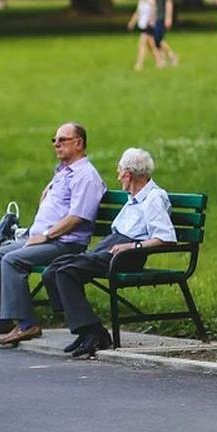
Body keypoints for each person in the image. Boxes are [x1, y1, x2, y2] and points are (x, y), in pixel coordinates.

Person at [0, 122, 106, 346]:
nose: (56, 144)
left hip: (65, 243)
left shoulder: (86, 176)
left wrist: (46, 235)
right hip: (45, 238)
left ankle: (27, 324)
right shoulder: (64, 172)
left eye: (62, 140)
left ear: (78, 143)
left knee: (12, 260)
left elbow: (77, 217)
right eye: (54, 140)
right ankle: (2, 319)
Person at [42, 148, 176, 358]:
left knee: (67, 271)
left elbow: (166, 237)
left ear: (128, 174)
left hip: (127, 254)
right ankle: (88, 330)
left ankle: (92, 332)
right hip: (113, 247)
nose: (118, 176)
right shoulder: (134, 197)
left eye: (120, 171)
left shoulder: (153, 198)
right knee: (52, 270)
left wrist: (132, 247)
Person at [126, 0, 163, 70]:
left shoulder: (151, 0)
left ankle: (139, 64)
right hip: (142, 25)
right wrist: (132, 22)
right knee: (151, 45)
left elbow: (154, 12)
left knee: (142, 44)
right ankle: (159, 61)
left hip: (149, 25)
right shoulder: (141, 0)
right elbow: (137, 12)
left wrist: (150, 21)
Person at [152, 0, 179, 67]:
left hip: (163, 17)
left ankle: (172, 56)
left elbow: (169, 3)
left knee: (158, 39)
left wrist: (168, 18)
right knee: (157, 39)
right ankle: (164, 59)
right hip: (157, 17)